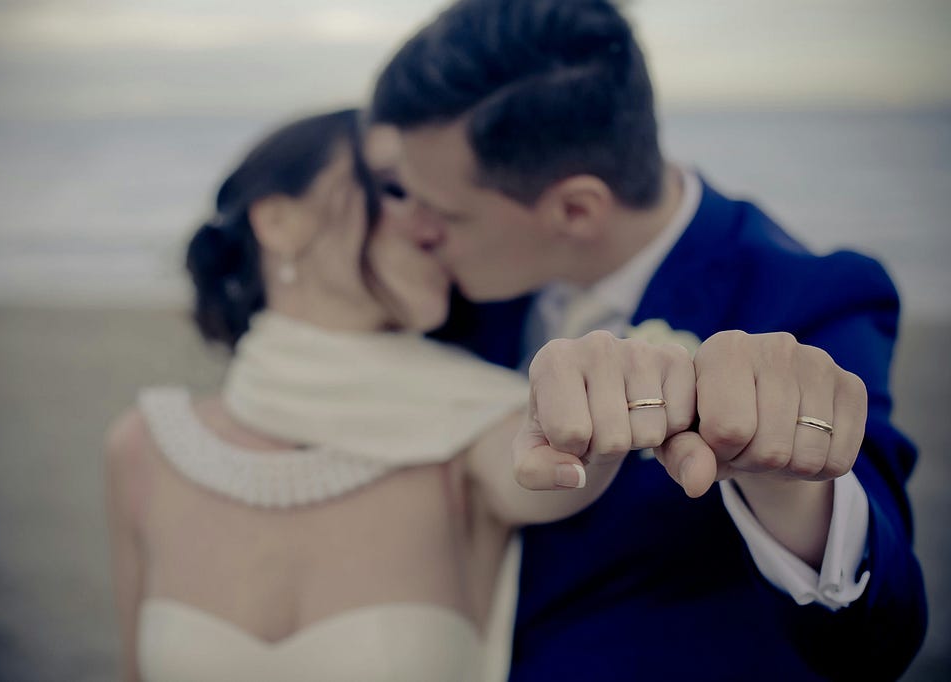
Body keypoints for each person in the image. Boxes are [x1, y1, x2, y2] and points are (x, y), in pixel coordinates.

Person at [369, 0, 928, 679]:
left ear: (576, 210)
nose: (412, 230)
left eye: (443, 213)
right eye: (403, 193)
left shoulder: (805, 298)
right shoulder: (452, 285)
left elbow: (880, 638)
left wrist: (792, 489)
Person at [104, 109, 698, 681]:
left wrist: (605, 392)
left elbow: (554, 469)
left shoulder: (479, 423)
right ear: (281, 222)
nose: (433, 220)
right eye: (393, 189)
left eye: (438, 194)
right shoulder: (145, 448)